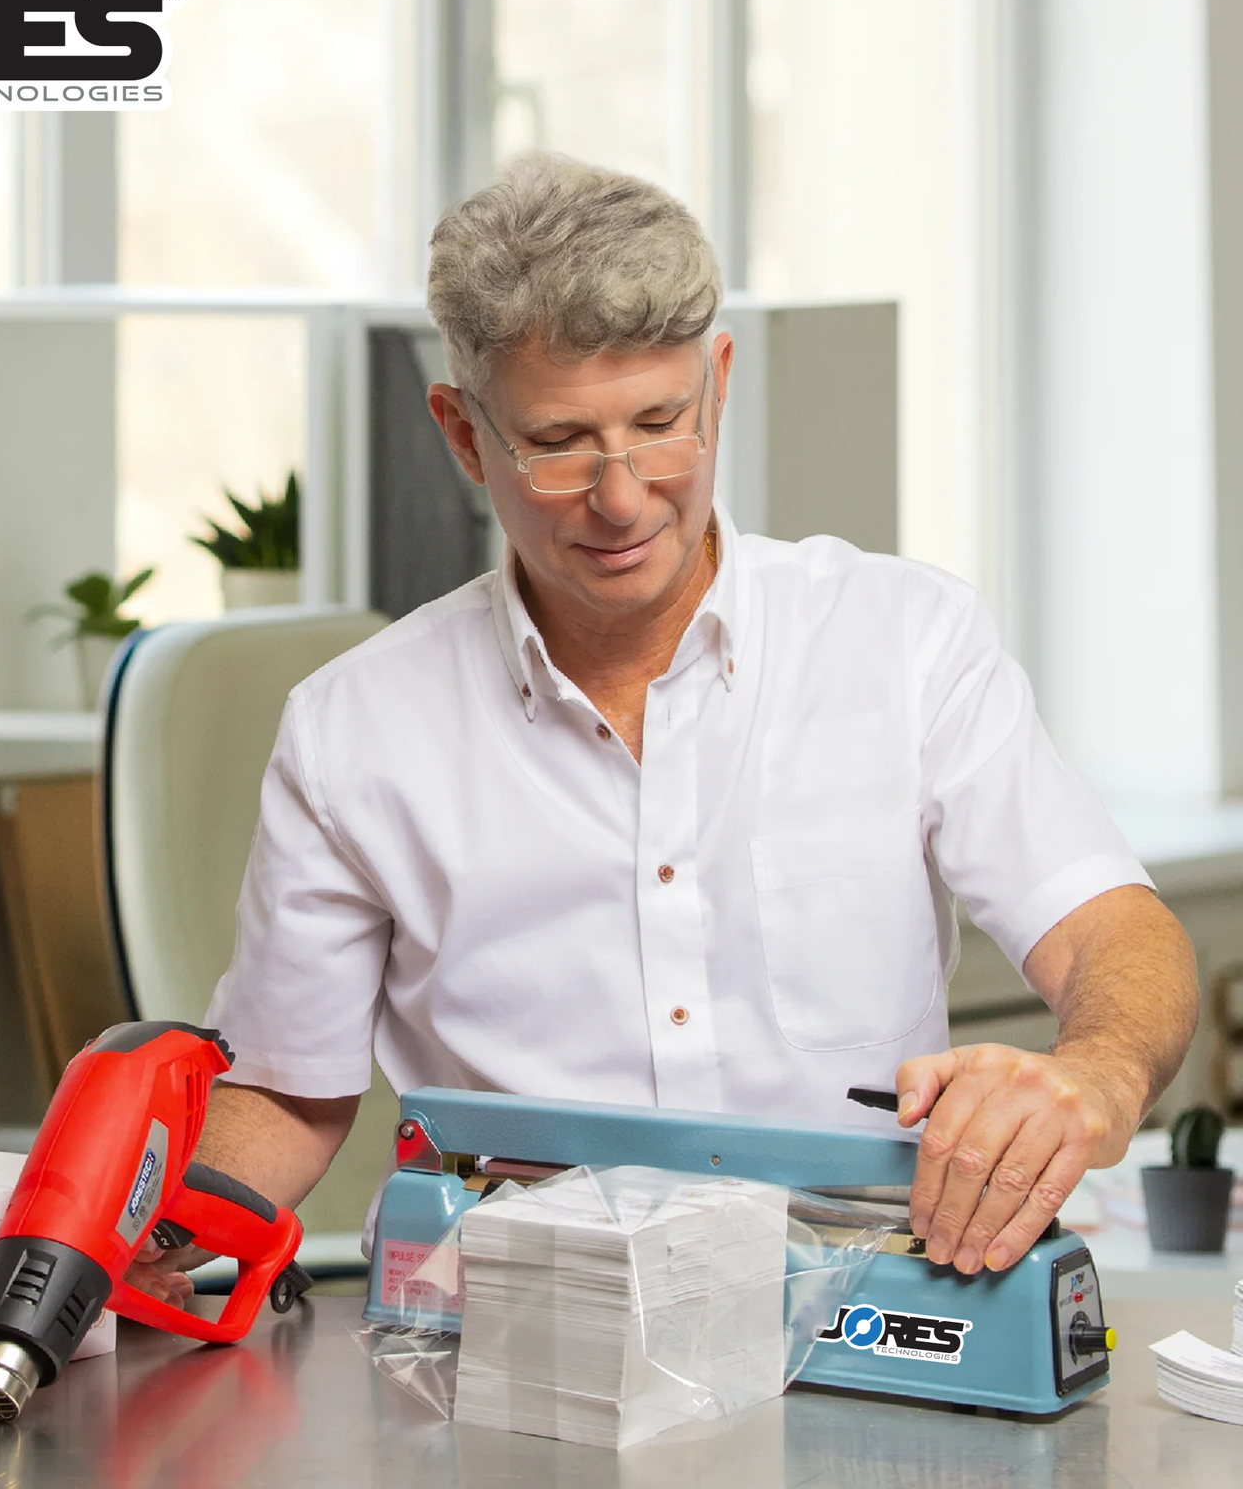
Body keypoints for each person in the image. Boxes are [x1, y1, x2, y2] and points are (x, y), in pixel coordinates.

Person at [130, 152, 1197, 1304]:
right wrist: (122, 1235)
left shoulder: (904, 639)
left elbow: (1108, 930)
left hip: (862, 1315)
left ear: (718, 382)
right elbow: (290, 1092)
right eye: (558, 442)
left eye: (659, 423)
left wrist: (1096, 1074)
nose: (623, 497)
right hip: (515, 1337)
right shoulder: (354, 730)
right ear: (463, 433)